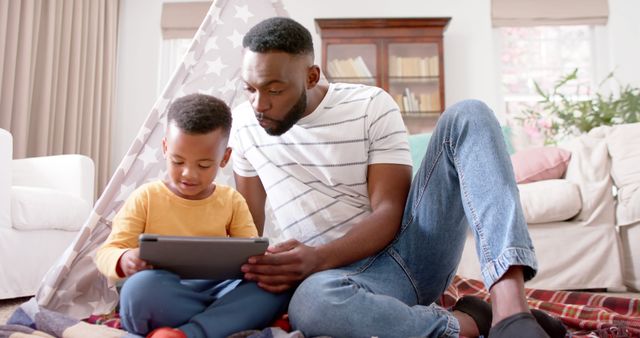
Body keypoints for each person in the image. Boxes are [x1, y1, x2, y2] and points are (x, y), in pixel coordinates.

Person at [232, 17, 563, 337]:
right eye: (250, 89)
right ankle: (473, 323)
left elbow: (389, 213)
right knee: (312, 305)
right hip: (334, 281)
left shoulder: (369, 105)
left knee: (469, 114)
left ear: (311, 76)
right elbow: (247, 231)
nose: (259, 104)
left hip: (406, 256)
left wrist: (316, 258)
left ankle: (511, 312)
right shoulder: (244, 125)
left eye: (274, 90)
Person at [95, 94, 292, 338]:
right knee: (138, 289)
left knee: (274, 286)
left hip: (217, 290)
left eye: (203, 165)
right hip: (165, 292)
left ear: (224, 158)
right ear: (166, 148)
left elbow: (250, 255)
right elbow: (105, 253)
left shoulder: (231, 200)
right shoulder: (146, 197)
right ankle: (217, 323)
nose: (189, 174)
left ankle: (188, 333)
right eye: (178, 161)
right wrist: (124, 259)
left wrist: (265, 263)